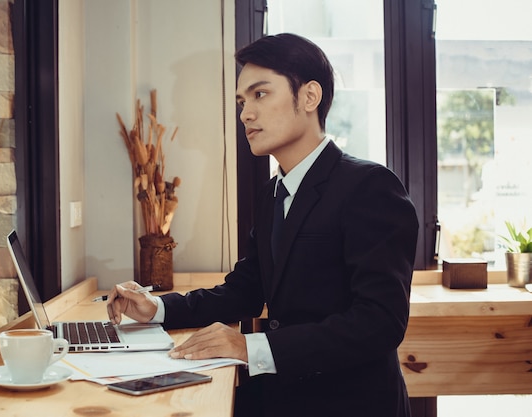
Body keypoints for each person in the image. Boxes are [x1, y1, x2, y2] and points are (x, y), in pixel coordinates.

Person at [107, 33, 419, 417]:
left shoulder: (371, 187)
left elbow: (380, 323)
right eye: (242, 101)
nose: (245, 114)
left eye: (260, 94)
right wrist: (156, 308)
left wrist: (249, 347)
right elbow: (245, 291)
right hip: (283, 395)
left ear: (309, 97)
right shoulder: (274, 192)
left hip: (350, 403)